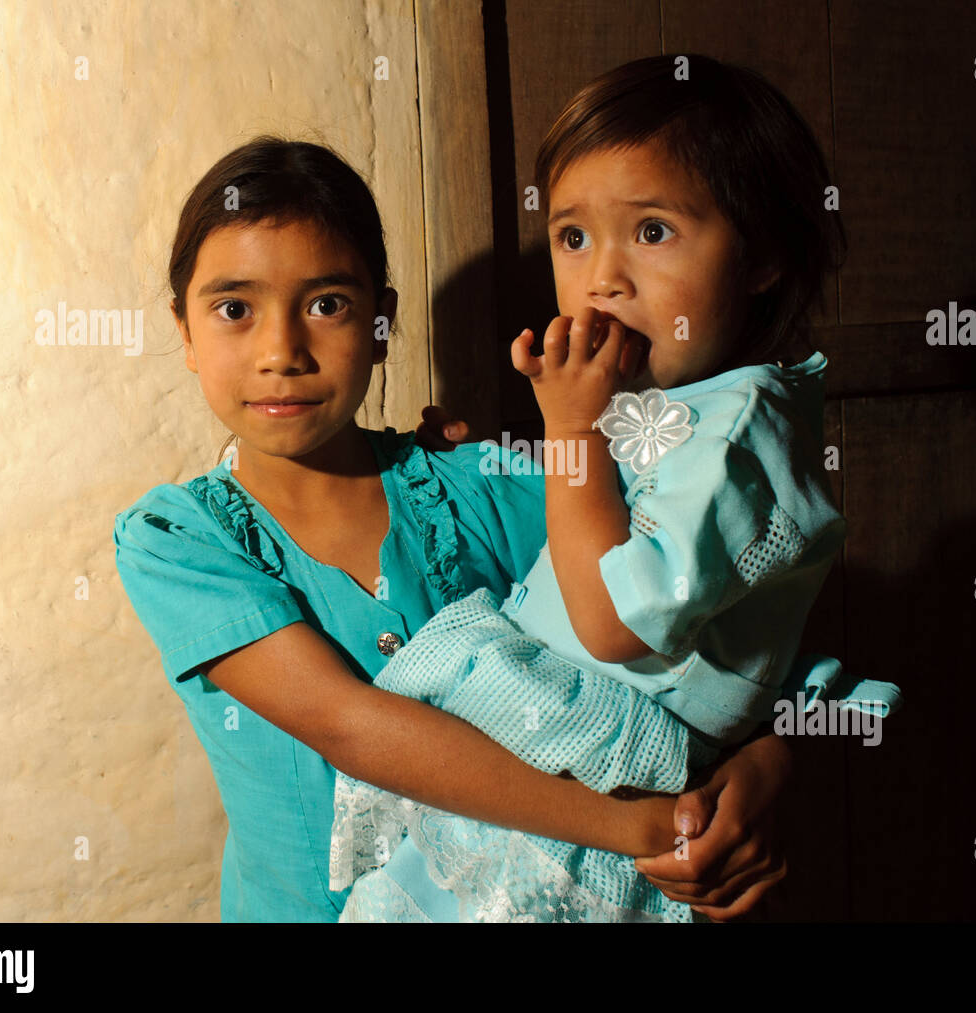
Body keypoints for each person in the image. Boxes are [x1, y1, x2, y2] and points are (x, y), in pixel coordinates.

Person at [113, 134, 798, 923]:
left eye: (328, 304)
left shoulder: (484, 484)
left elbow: (730, 640)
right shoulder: (178, 540)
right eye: (234, 309)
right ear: (184, 331)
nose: (281, 351)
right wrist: (638, 825)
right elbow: (351, 724)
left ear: (381, 321)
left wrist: (759, 776)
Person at [327, 54, 904, 922]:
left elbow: (610, 621)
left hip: (594, 779)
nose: (603, 277)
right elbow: (601, 520)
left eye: (654, 231)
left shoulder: (737, 431)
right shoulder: (680, 406)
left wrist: (570, 430)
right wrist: (501, 450)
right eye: (573, 237)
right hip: (555, 771)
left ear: (763, 257)